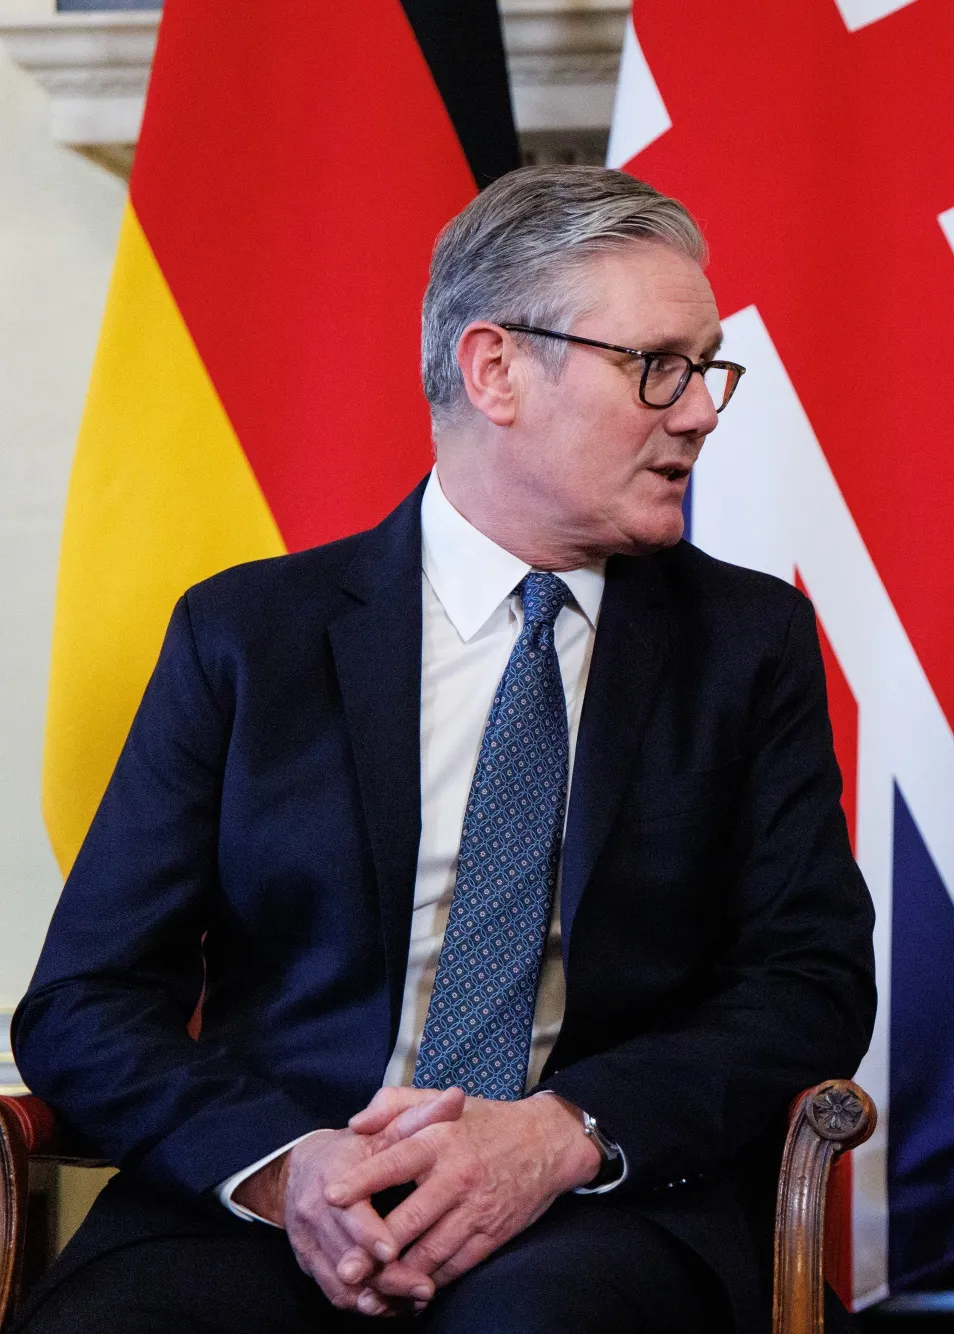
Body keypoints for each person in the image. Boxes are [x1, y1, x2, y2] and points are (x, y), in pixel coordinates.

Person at [11, 165, 875, 1333]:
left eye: (704, 367)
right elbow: (85, 999)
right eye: (655, 366)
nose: (699, 412)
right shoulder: (249, 636)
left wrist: (559, 1132)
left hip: (591, 1207)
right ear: (493, 369)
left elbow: (808, 980)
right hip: (272, 1194)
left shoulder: (746, 642)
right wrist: (283, 1164)